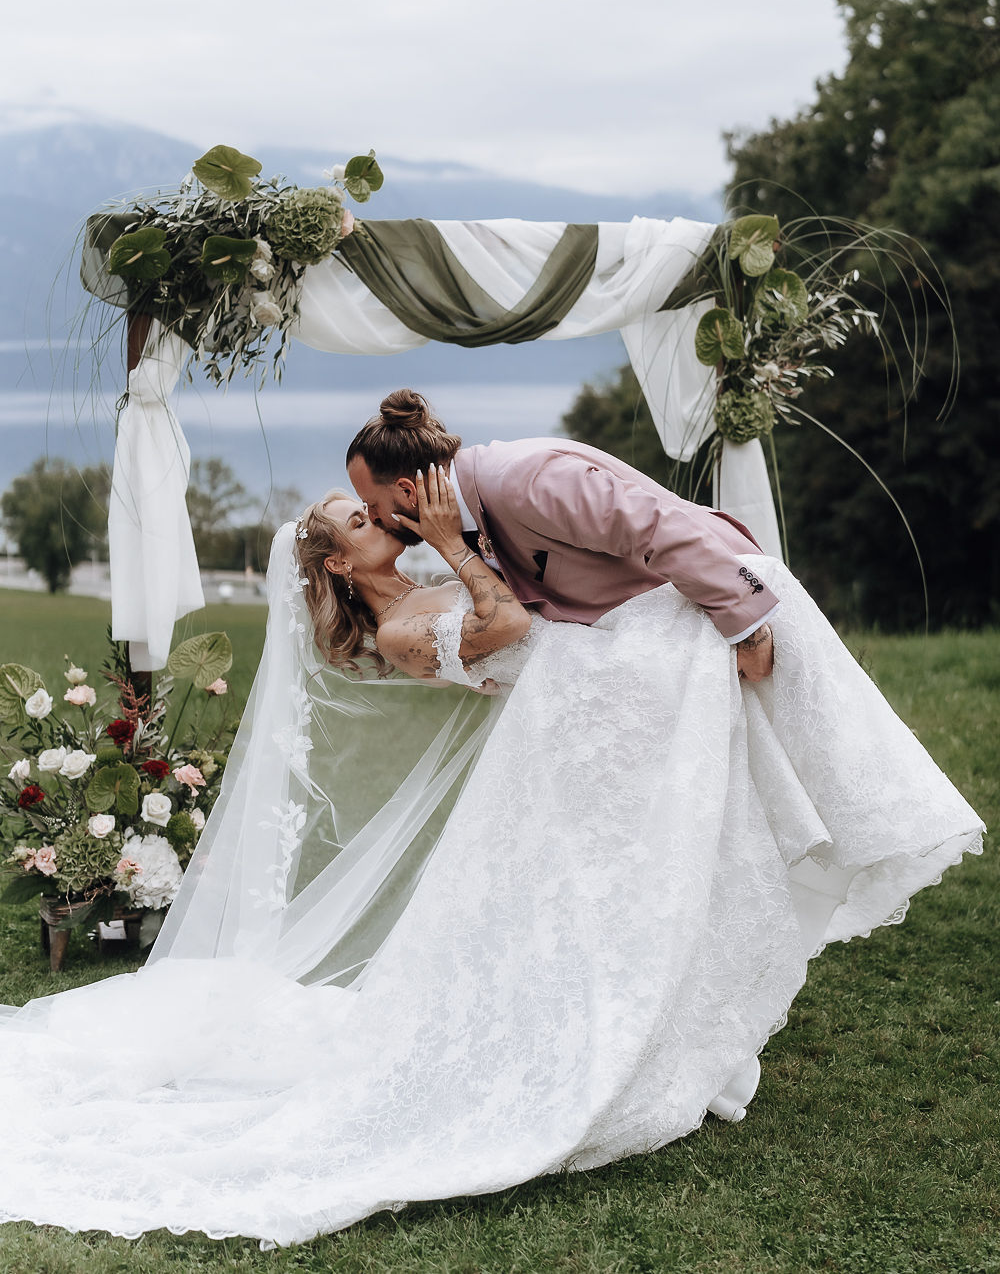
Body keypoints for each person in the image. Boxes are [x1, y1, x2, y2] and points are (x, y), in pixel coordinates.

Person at [0, 404, 985, 1248]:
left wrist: (461, 545)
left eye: (373, 504)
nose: (382, 519)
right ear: (340, 560)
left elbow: (558, 589)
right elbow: (510, 626)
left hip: (606, 715)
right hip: (582, 732)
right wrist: (458, 545)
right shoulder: (399, 627)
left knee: (659, 889)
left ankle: (683, 1034)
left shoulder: (444, 560)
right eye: (360, 519)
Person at [345, 389, 779, 684]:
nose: (372, 516)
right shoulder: (467, 518)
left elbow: (655, 525)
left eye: (372, 504)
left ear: (407, 491)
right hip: (679, 644)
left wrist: (749, 630)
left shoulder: (521, 482)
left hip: (732, 606)